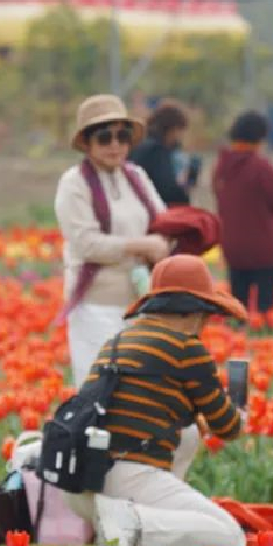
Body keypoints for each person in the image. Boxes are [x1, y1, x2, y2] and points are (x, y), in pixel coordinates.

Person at [66, 254, 249, 546]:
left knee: (188, 433)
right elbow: (228, 428)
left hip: (82, 481)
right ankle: (131, 523)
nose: (205, 325)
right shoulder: (186, 349)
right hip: (128, 475)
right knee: (230, 537)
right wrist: (240, 413)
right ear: (194, 313)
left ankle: (124, 523)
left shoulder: (118, 342)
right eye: (206, 316)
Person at [54, 94, 170, 389]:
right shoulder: (74, 184)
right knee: (100, 391)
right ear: (87, 142)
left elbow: (163, 222)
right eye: (105, 137)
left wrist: (166, 242)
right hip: (96, 305)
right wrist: (143, 246)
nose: (115, 145)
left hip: (141, 302)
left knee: (138, 392)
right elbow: (87, 244)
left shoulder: (136, 176)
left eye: (122, 136)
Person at [212, 111, 273, 330]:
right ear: (260, 137)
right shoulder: (260, 166)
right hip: (264, 245)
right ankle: (263, 335)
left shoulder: (222, 167)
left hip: (234, 245)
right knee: (265, 305)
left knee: (238, 303)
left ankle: (236, 336)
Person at [130, 100, 191, 207]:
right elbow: (168, 190)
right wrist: (184, 189)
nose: (180, 136)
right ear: (172, 129)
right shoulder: (156, 151)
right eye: (180, 130)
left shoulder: (141, 145)